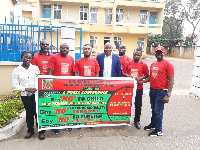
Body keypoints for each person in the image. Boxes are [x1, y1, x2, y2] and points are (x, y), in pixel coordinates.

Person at [12, 51, 46, 140]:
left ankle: (41, 131)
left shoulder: (35, 68)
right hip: (25, 95)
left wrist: (41, 76)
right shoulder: (17, 70)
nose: (28, 59)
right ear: (22, 57)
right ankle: (30, 130)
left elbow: (38, 79)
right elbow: (15, 85)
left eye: (30, 58)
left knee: (38, 112)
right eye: (26, 57)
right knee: (29, 113)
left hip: (36, 94)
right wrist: (27, 89)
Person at [144, 46, 174, 136]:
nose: (159, 54)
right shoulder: (153, 64)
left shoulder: (168, 64)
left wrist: (168, 95)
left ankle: (158, 130)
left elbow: (171, 80)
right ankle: (153, 125)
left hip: (161, 91)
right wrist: (141, 81)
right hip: (153, 90)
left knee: (158, 111)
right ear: (155, 53)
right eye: (157, 52)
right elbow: (150, 77)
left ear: (163, 53)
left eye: (161, 52)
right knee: (153, 109)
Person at [48, 43, 74, 134]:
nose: (65, 49)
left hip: (67, 87)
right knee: (56, 106)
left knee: (66, 106)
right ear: (60, 48)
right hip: (56, 86)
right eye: (63, 48)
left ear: (69, 49)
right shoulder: (54, 57)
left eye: (67, 48)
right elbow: (50, 72)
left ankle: (67, 123)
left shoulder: (71, 58)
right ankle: (56, 125)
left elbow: (71, 72)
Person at [123, 49, 149, 129]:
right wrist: (128, 76)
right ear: (133, 54)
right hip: (128, 88)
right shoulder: (128, 63)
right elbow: (122, 72)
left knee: (138, 105)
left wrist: (141, 78)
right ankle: (125, 120)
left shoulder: (143, 65)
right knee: (126, 104)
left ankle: (137, 121)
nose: (136, 56)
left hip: (138, 88)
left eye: (138, 55)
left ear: (141, 56)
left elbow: (147, 75)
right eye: (135, 54)